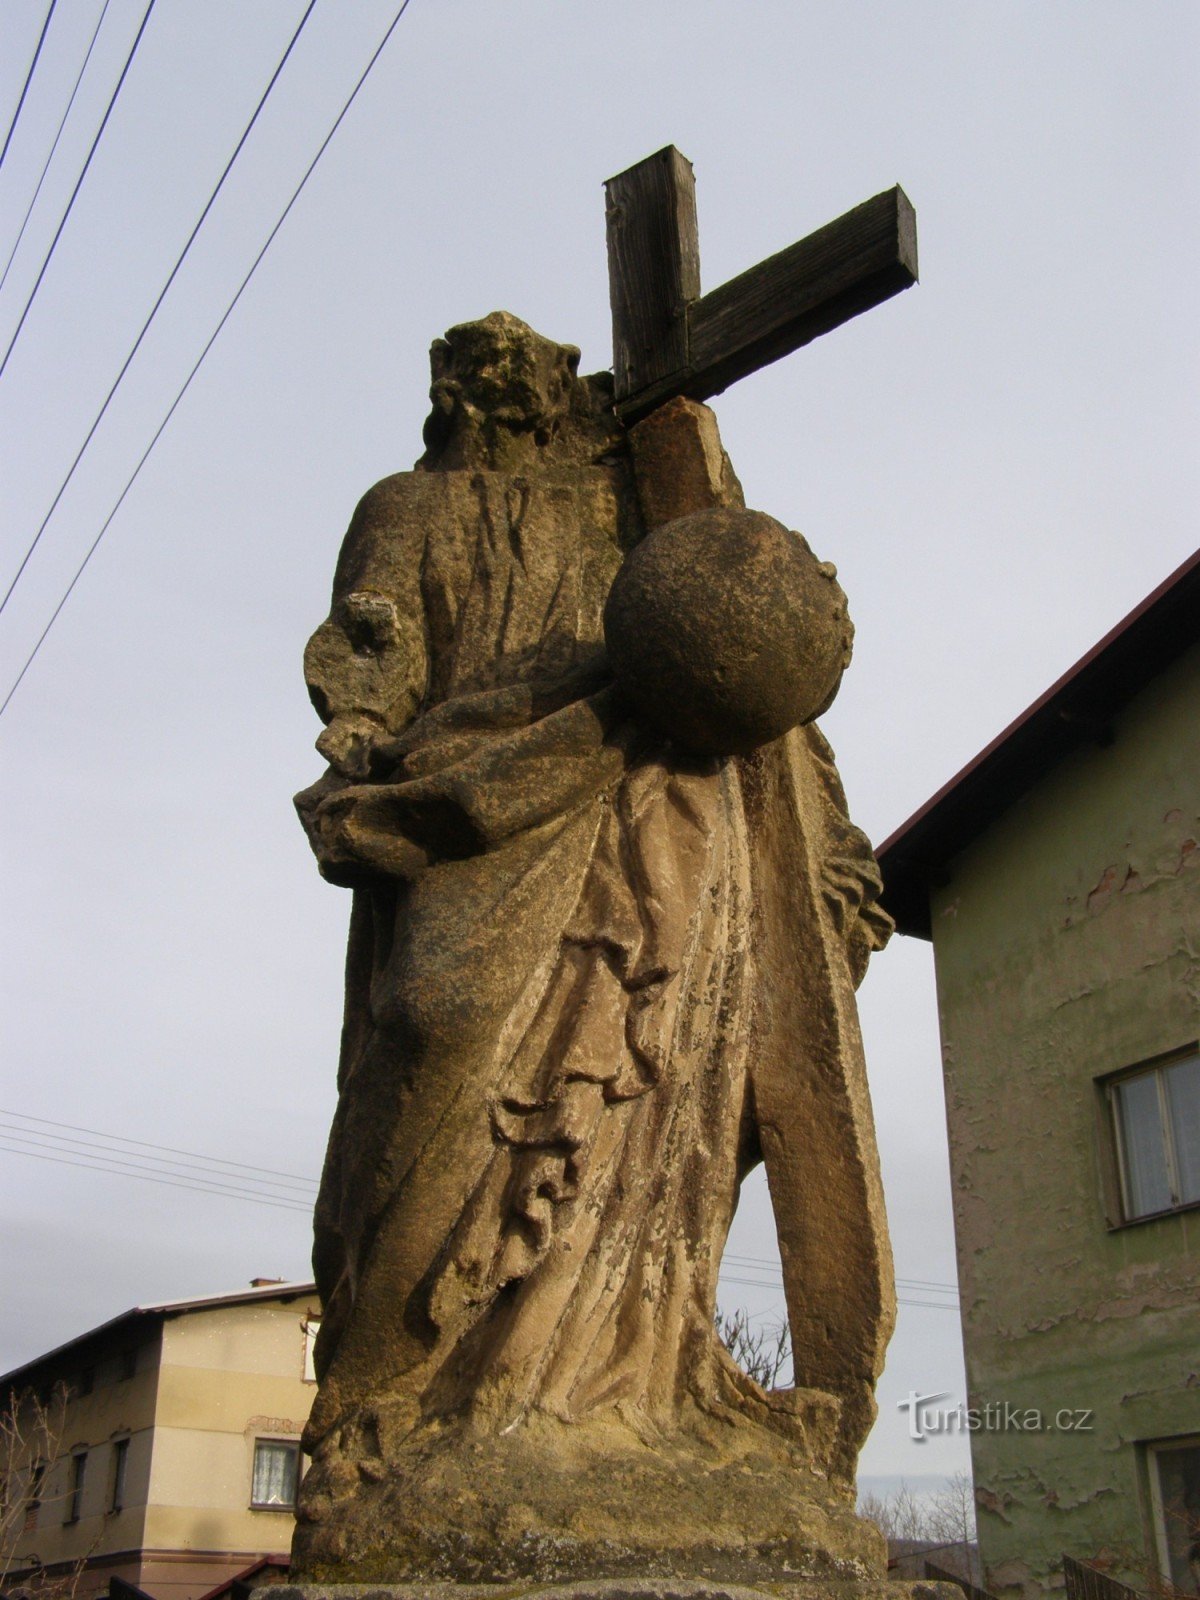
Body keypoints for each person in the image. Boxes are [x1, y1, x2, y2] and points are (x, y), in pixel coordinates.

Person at [292, 312, 895, 1581]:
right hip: (487, 794)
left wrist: (820, 829)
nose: (505, 402)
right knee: (438, 1025)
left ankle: (621, 1389)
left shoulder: (638, 499)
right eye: (480, 385)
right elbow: (369, 639)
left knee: (661, 1082)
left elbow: (742, 647)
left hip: (665, 801)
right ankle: (406, 1384)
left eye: (529, 383)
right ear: (453, 402)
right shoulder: (406, 503)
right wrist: (358, 722)